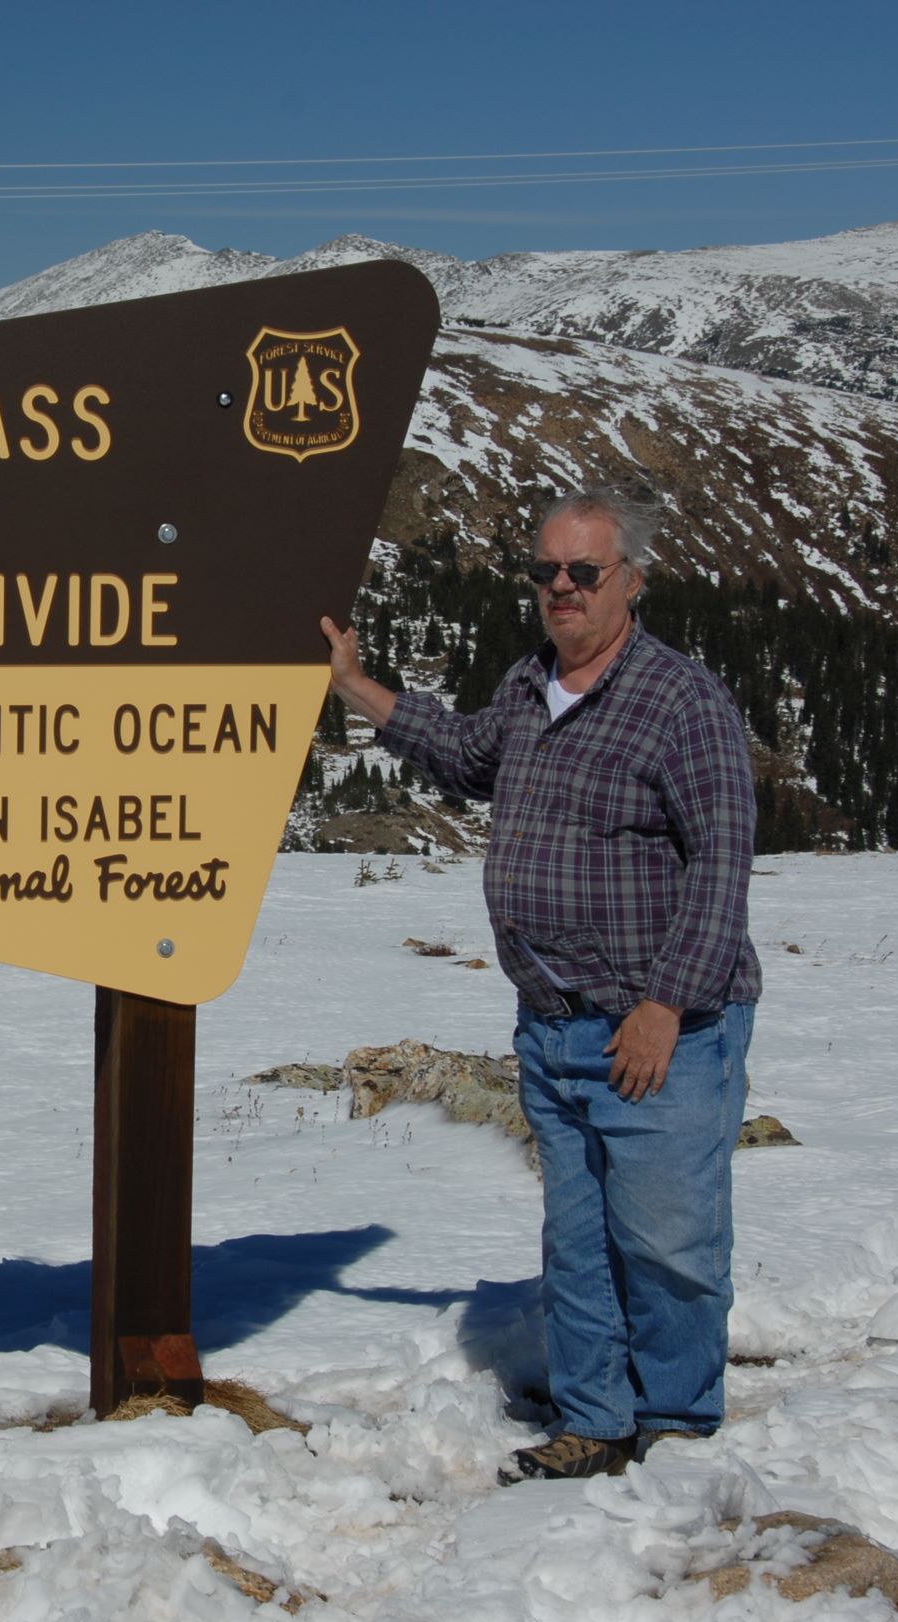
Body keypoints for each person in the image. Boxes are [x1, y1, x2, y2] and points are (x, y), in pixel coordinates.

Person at [320, 486, 761, 1482]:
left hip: (660, 1027)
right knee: (577, 1244)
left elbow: (720, 863)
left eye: (582, 571)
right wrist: (354, 685)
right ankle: (593, 1421)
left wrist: (662, 1005)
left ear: (630, 581)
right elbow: (460, 752)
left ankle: (679, 1428)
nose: (559, 588)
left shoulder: (680, 701)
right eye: (544, 571)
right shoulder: (527, 689)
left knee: (667, 1245)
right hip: (554, 1029)